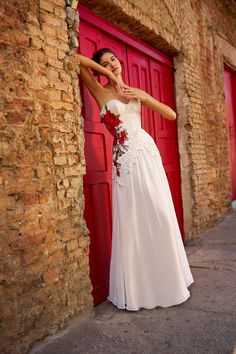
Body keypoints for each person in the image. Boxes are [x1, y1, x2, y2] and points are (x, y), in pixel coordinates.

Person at [76, 48, 194, 311]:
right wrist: (107, 73)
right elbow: (75, 59)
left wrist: (144, 96)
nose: (112, 65)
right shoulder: (100, 90)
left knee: (161, 213)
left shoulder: (134, 91)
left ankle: (169, 280)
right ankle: (141, 288)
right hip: (125, 163)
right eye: (105, 64)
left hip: (147, 155)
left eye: (113, 60)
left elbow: (171, 115)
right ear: (100, 70)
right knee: (133, 220)